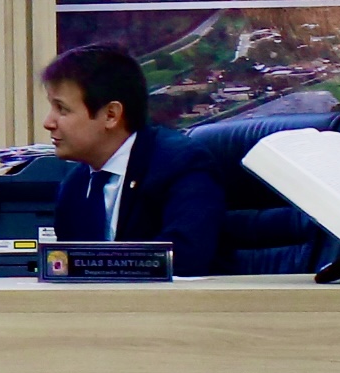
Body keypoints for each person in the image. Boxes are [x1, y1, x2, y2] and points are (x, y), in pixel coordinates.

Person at [42, 40, 228, 275]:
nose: (48, 123)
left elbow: (184, 259)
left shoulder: (182, 165)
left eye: (62, 110)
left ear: (111, 115)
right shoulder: (74, 185)